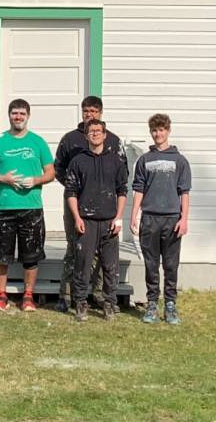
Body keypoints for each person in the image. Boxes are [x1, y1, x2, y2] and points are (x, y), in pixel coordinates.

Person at [0, 98, 55, 312]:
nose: (18, 117)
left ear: (28, 116)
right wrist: (2, 178)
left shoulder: (37, 142)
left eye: (22, 114)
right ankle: (1, 296)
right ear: (9, 115)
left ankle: (28, 297)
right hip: (2, 207)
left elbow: (51, 172)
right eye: (14, 113)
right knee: (1, 255)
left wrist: (36, 180)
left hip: (30, 206)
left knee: (31, 256)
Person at [54, 95, 126, 312]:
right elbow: (59, 168)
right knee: (75, 247)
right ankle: (67, 295)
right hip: (76, 202)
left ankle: (97, 294)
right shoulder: (70, 139)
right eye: (86, 111)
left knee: (102, 253)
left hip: (105, 206)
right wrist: (78, 190)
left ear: (100, 113)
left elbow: (122, 175)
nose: (89, 115)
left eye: (94, 111)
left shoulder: (113, 141)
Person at [129, 113, 191, 325]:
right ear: (151, 133)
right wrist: (134, 214)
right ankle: (152, 303)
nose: (158, 134)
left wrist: (184, 219)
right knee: (151, 264)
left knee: (171, 264)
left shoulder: (180, 161)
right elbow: (138, 190)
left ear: (168, 131)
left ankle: (171, 305)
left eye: (162, 130)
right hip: (149, 219)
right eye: (155, 130)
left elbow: (184, 192)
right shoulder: (145, 160)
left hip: (172, 219)